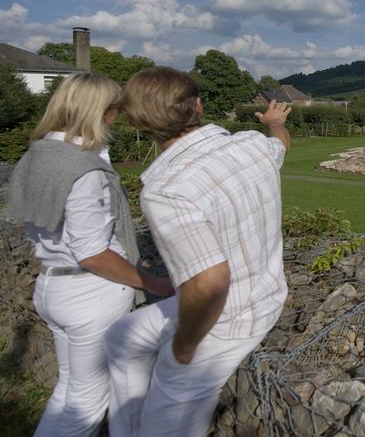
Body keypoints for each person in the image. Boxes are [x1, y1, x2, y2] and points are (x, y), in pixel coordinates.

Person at [104, 67, 291, 437]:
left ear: (138, 124)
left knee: (166, 424)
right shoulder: (251, 146)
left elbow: (208, 283)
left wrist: (184, 348)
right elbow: (281, 142)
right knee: (121, 338)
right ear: (199, 106)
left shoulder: (166, 188)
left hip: (226, 320)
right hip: (257, 295)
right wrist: (272, 123)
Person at [6, 72, 174, 437]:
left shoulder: (39, 154)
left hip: (52, 284)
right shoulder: (84, 171)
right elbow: (93, 253)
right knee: (86, 404)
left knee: (69, 390)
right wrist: (154, 283)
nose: (120, 116)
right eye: (117, 108)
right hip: (89, 293)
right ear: (103, 111)